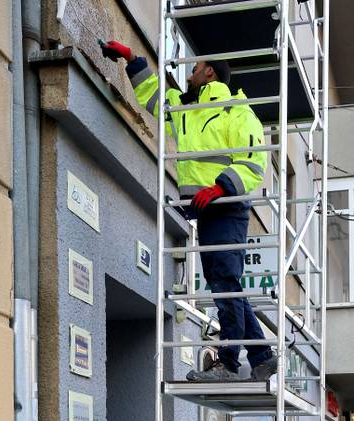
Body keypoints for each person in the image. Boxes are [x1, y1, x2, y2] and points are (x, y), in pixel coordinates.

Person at [101, 40, 276, 383]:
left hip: (226, 206)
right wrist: (132, 60)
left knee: (225, 282)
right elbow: (154, 99)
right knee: (225, 283)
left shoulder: (234, 109)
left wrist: (222, 187)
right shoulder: (188, 111)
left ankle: (228, 361)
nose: (189, 73)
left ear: (209, 71)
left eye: (194, 68)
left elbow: (255, 161)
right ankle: (261, 356)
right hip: (206, 209)